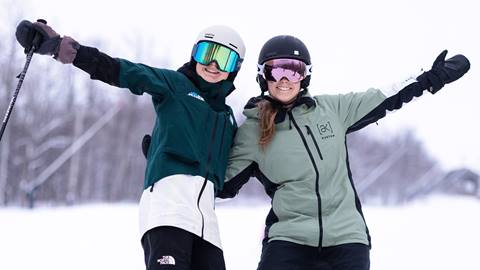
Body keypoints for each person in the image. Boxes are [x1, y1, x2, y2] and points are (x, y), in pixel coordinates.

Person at [217, 35, 470, 270]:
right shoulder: (251, 132)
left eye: (294, 71)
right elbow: (218, 183)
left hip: (347, 239)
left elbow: (386, 95)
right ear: (263, 76)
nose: (285, 79)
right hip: (288, 239)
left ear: (305, 76)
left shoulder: (332, 110)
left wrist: (432, 78)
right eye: (276, 70)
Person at [16, 19, 246, 270]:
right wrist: (64, 48)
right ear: (194, 55)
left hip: (207, 226)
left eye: (224, 59)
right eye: (207, 54)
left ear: (235, 68)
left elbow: (229, 179)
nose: (212, 65)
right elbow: (127, 72)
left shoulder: (228, 119)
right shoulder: (176, 85)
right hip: (167, 212)